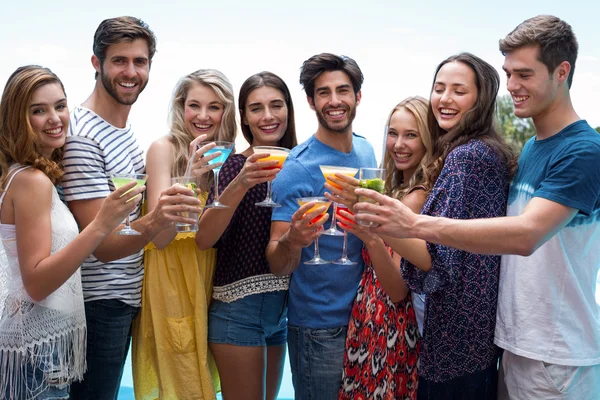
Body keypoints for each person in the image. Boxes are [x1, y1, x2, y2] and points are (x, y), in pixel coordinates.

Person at [357, 15, 600, 399]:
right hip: (512, 342)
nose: (513, 86)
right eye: (508, 74)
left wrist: (410, 223)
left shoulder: (583, 151)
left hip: (556, 353)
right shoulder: (534, 147)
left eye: (524, 74)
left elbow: (526, 235)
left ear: (561, 72)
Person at [357, 52, 517, 399]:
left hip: (455, 344)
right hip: (473, 340)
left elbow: (437, 260)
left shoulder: (467, 158)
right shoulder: (482, 152)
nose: (445, 99)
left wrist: (376, 220)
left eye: (459, 91)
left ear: (482, 98)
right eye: (439, 88)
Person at [61, 17, 201, 399]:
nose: (130, 72)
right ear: (96, 63)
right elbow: (101, 246)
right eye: (119, 61)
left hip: (124, 299)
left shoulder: (123, 132)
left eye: (139, 62)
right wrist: (159, 218)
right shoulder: (82, 137)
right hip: (97, 304)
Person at [0, 66, 144, 399]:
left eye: (60, 106)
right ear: (16, 119)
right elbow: (36, 283)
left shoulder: (30, 175)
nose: (55, 118)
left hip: (36, 346)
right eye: (38, 110)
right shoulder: (32, 181)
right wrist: (102, 224)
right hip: (35, 355)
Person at [266, 53, 377, 399]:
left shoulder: (366, 150)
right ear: (311, 101)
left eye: (342, 90)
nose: (334, 101)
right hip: (319, 328)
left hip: (367, 317)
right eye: (323, 93)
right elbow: (275, 260)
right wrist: (293, 241)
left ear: (357, 96)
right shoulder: (297, 168)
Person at [131, 69, 236, 399]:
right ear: (181, 107)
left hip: (207, 286)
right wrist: (189, 176)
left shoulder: (225, 157)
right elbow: (159, 237)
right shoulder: (163, 149)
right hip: (172, 285)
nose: (203, 116)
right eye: (194, 105)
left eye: (214, 107)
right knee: (183, 387)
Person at [196, 71, 298, 400]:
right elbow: (203, 238)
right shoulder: (233, 166)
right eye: (256, 108)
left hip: (281, 314)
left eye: (276, 106)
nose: (267, 116)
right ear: (245, 118)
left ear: (289, 111)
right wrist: (241, 182)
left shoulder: (299, 165)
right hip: (237, 311)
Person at [337, 96, 433, 399]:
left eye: (411, 135)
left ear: (428, 141)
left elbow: (397, 289)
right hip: (369, 318)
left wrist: (369, 236)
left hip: (389, 326)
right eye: (393, 133)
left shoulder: (414, 197)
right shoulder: (395, 189)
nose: (399, 144)